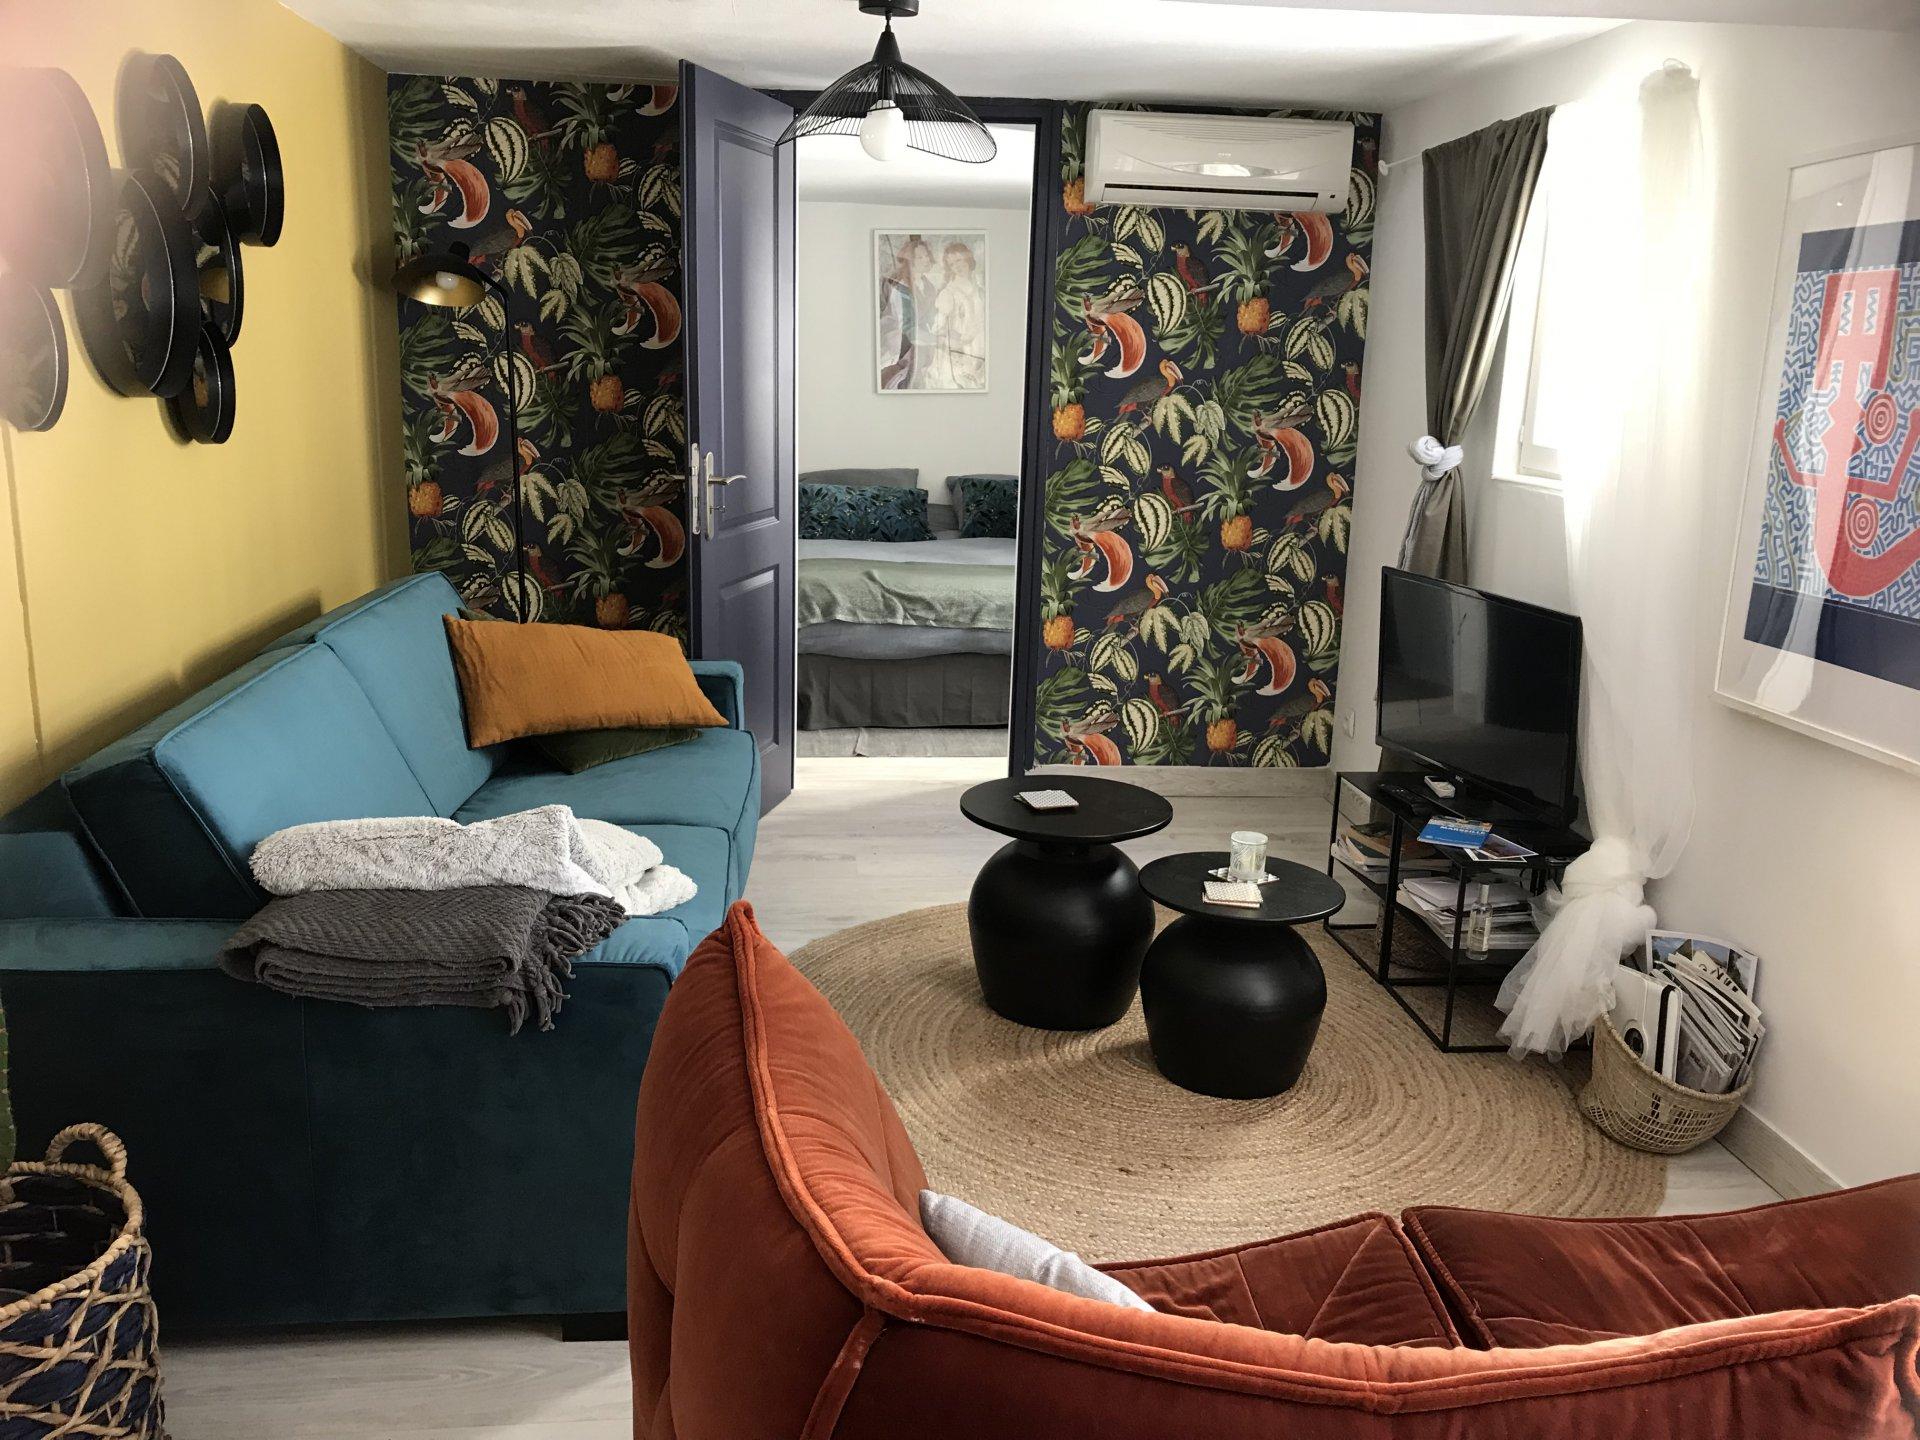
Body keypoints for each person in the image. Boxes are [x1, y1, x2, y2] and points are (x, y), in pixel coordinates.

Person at [927, 239, 987, 390]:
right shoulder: (949, 293)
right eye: (952, 264)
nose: (957, 266)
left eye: (959, 260)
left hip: (982, 346)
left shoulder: (980, 289)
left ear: (968, 258)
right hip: (961, 350)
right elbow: (939, 327)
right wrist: (957, 341)